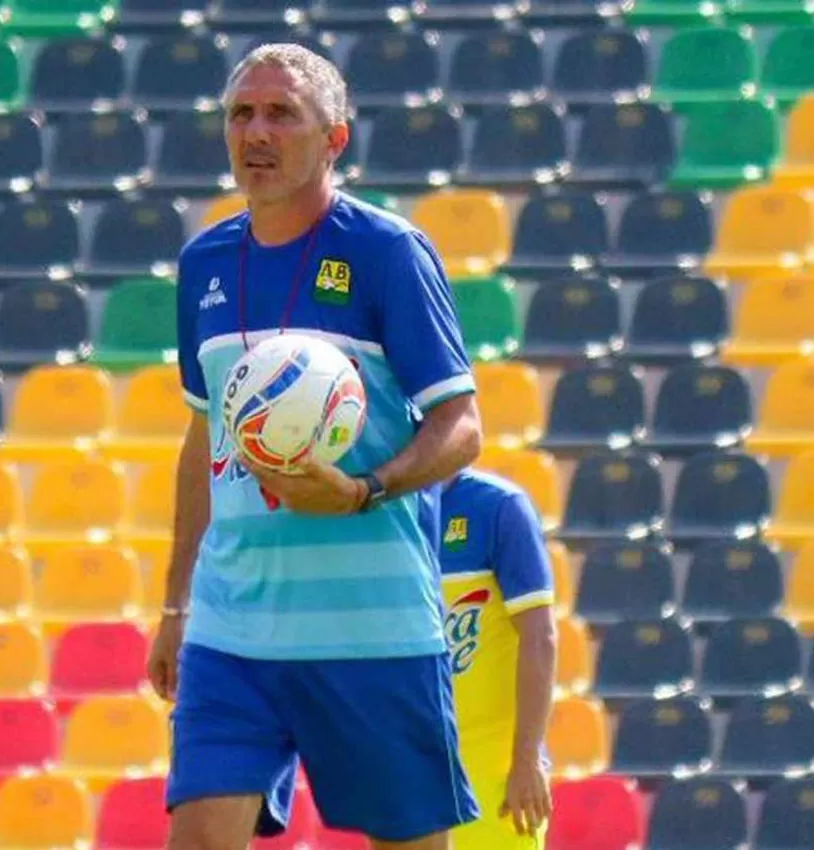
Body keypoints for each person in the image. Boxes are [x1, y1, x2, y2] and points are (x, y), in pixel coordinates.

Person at [147, 42, 486, 850]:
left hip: (372, 627)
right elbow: (205, 437)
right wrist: (174, 607)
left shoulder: (387, 251)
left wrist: (363, 488)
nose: (255, 132)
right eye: (241, 114)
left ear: (335, 139)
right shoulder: (203, 263)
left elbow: (461, 426)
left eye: (280, 114)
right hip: (235, 629)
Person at [439, 471, 558, 849]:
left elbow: (540, 638)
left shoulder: (499, 506)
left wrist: (525, 762)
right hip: (414, 768)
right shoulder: (387, 510)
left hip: (494, 772)